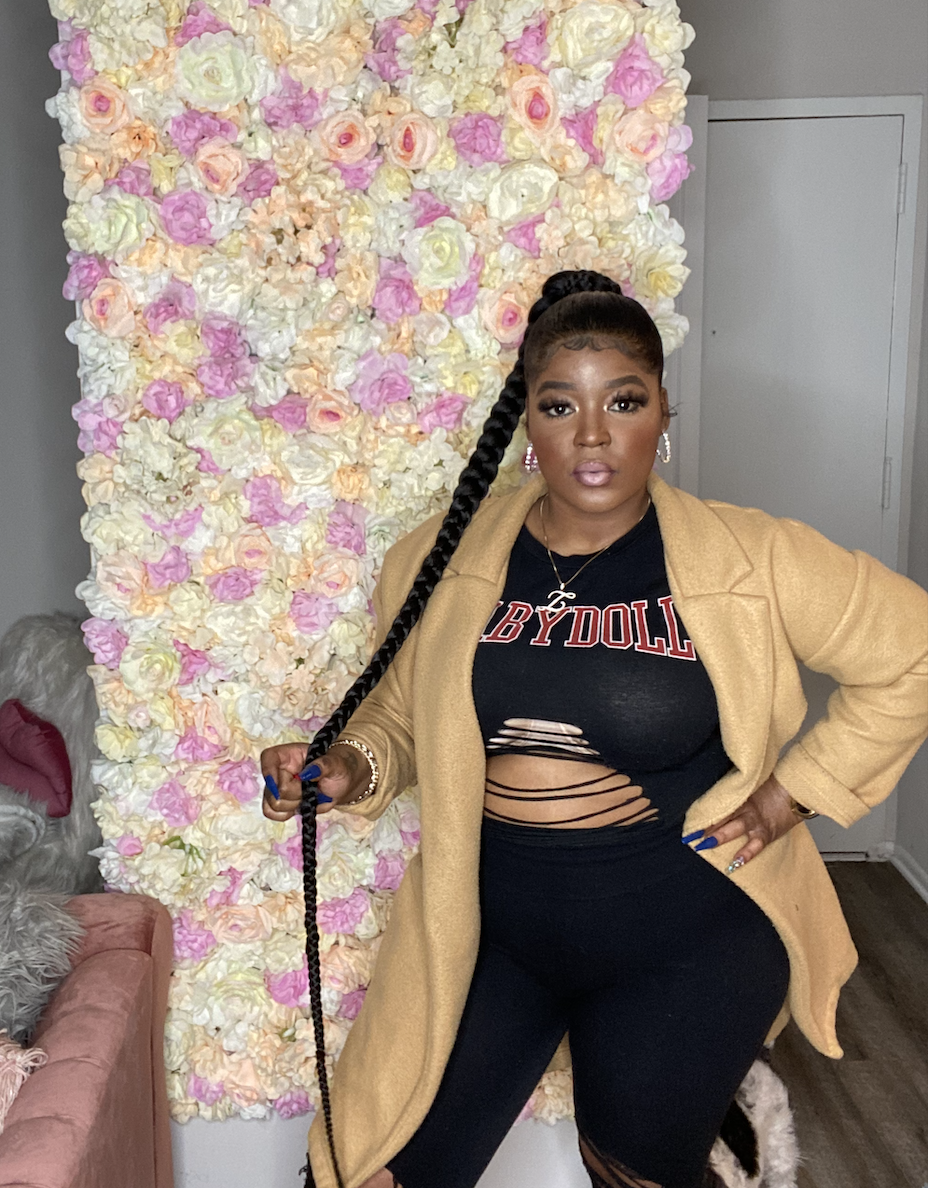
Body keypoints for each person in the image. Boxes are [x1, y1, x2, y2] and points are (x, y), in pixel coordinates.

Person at [261, 270, 928, 1188]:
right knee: (369, 1167)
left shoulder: (752, 558)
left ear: (663, 412)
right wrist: (347, 766)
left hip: (686, 936)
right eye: (558, 405)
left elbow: (912, 651)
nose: (591, 435)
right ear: (528, 427)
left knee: (629, 1172)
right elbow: (402, 718)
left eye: (623, 401)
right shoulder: (439, 560)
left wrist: (792, 795)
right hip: (490, 931)